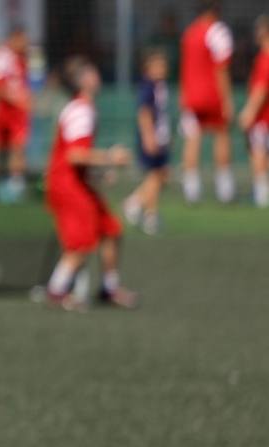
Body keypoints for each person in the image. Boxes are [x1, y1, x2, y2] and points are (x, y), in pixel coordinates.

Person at [43, 57, 137, 312]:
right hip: (67, 185)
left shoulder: (83, 108)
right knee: (80, 244)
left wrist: (97, 172)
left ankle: (109, 287)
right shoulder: (80, 110)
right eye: (92, 71)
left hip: (76, 182)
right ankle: (57, 290)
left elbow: (76, 155)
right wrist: (110, 157)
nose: (97, 74)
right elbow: (74, 155)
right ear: (83, 80)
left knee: (110, 229)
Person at [179, 1, 235, 203]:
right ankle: (225, 190)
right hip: (212, 95)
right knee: (221, 136)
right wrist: (227, 99)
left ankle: (191, 190)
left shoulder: (190, 32)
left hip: (191, 95)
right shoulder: (217, 30)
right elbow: (221, 68)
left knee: (192, 139)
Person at [123, 49, 173, 234]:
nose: (162, 68)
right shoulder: (147, 87)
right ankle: (150, 215)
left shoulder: (160, 86)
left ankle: (134, 202)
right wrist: (149, 136)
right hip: (152, 137)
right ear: (148, 67)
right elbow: (144, 114)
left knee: (162, 175)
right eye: (158, 65)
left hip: (160, 136)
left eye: (164, 65)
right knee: (154, 176)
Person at [0, 24, 32, 203]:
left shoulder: (22, 57)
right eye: (22, 39)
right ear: (14, 37)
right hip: (5, 109)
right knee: (2, 148)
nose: (25, 43)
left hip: (18, 111)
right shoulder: (1, 56)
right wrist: (15, 98)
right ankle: (1, 183)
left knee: (18, 146)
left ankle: (16, 184)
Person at [238, 15, 269, 208]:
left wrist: (248, 112)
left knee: (258, 152)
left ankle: (261, 194)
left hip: (263, 118)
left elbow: (261, 90)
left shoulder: (264, 59)